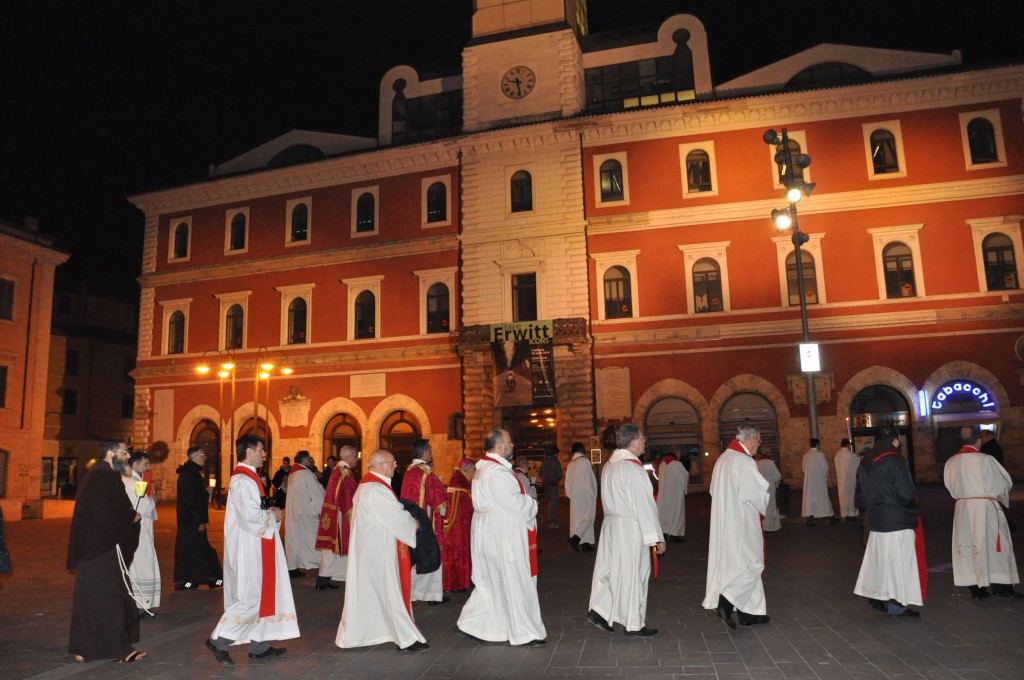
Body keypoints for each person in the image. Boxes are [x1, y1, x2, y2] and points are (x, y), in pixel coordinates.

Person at [207, 435, 298, 666]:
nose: (264, 454)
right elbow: (249, 517)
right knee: (252, 595)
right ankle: (219, 640)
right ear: (249, 451)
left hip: (258, 543)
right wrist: (273, 515)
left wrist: (269, 510)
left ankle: (259, 645)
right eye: (261, 450)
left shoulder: (251, 478)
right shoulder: (241, 480)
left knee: (265, 592)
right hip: (249, 547)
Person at [457, 429, 546, 646]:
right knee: (513, 578)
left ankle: (478, 624)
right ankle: (524, 632)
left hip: (490, 530)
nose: (512, 444)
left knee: (492, 581)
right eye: (509, 441)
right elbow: (516, 503)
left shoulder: (484, 468)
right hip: (502, 533)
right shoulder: (496, 472)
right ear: (498, 446)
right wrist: (533, 503)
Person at [336, 449, 428, 653]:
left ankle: (370, 633)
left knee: (374, 594)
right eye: (393, 462)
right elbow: (395, 518)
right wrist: (414, 523)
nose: (396, 466)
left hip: (372, 551)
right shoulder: (376, 489)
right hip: (379, 553)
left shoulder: (367, 486)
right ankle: (405, 637)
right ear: (380, 465)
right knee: (388, 591)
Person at [67, 439, 146, 663]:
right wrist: (131, 517)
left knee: (91, 599)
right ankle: (121, 650)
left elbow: (106, 511)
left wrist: (128, 515)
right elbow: (105, 515)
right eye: (124, 452)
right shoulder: (102, 478)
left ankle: (84, 649)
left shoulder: (100, 477)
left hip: (94, 548)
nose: (128, 456)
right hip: (100, 548)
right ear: (111, 454)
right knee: (112, 598)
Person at [586, 424, 665, 637]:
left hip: (612, 525)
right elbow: (644, 505)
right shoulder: (633, 468)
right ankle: (633, 623)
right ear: (632, 442)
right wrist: (655, 537)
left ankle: (600, 611)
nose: (644, 441)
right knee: (634, 574)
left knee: (613, 571)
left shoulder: (610, 465)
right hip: (631, 527)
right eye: (642, 438)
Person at [703, 424, 771, 629]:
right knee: (752, 564)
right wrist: (766, 496)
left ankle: (749, 613)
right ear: (749, 439)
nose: (759, 445)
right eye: (758, 441)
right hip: (743, 521)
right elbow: (757, 493)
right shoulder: (743, 461)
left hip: (726, 519)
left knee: (741, 564)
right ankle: (725, 601)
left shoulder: (723, 458)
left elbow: (713, 490)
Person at [853, 425, 923, 617]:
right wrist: (912, 509)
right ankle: (898, 604)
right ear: (895, 440)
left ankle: (877, 596)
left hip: (876, 520)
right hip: (897, 519)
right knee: (900, 564)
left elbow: (860, 497)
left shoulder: (865, 461)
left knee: (882, 562)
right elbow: (906, 492)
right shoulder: (896, 459)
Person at [944, 426, 1021, 599]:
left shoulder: (951, 462)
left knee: (969, 545)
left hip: (962, 508)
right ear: (978, 440)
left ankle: (976, 587)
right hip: (985, 508)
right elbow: (1003, 483)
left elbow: (949, 486)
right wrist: (1000, 498)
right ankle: (1002, 587)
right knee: (995, 546)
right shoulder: (986, 460)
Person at [400, 438, 448, 604]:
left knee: (414, 557)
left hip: (410, 521)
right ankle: (431, 595)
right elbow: (440, 505)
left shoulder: (408, 472)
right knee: (429, 554)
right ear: (426, 453)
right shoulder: (427, 473)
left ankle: (409, 592)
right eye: (430, 450)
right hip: (426, 523)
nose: (432, 453)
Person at [174, 446, 223, 590]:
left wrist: (205, 492)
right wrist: (199, 520)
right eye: (202, 455)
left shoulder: (190, 473)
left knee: (191, 550)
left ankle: (190, 581)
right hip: (191, 521)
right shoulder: (190, 475)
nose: (205, 457)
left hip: (188, 521)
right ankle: (212, 579)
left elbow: (195, 496)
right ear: (195, 457)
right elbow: (191, 500)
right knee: (199, 550)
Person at [121, 451, 160, 616]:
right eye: (145, 464)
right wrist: (152, 501)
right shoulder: (135, 482)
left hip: (135, 525)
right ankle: (141, 604)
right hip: (140, 527)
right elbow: (143, 506)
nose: (148, 467)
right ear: (135, 465)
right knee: (143, 563)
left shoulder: (128, 480)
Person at [315, 446, 358, 590]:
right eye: (354, 456)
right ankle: (323, 580)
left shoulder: (338, 471)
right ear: (347, 457)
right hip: (340, 515)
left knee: (331, 549)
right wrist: (353, 514)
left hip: (332, 513)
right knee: (333, 549)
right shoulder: (343, 472)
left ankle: (326, 578)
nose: (356, 459)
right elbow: (347, 496)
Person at [285, 450, 325, 578]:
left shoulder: (292, 473)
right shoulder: (306, 474)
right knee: (310, 538)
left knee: (293, 540)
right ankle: (319, 564)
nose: (311, 460)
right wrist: (322, 510)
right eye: (309, 458)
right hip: (306, 512)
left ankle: (292, 567)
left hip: (293, 511)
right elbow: (316, 492)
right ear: (303, 460)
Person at [442, 457, 475, 593]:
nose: (474, 472)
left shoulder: (465, 483)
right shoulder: (458, 484)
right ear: (466, 470)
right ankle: (455, 584)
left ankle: (463, 581)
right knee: (457, 554)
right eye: (473, 469)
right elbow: (453, 509)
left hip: (464, 526)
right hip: (457, 529)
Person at [566, 442, 598, 551]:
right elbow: (589, 480)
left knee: (579, 519)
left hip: (575, 496)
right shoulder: (585, 461)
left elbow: (567, 482)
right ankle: (576, 538)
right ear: (581, 449)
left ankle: (585, 544)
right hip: (585, 495)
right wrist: (594, 493)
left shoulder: (571, 464)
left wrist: (570, 494)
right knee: (588, 518)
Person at [656, 447, 688, 543]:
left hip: (664, 493)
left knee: (664, 513)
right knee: (676, 513)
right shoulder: (677, 464)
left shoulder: (662, 464)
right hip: (675, 493)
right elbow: (684, 476)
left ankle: (664, 533)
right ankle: (675, 535)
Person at [802, 438, 837, 526]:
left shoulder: (806, 455)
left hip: (809, 482)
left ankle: (811, 518)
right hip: (819, 481)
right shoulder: (820, 454)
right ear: (817, 445)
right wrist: (824, 477)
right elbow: (825, 468)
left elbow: (803, 468)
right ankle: (830, 517)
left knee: (810, 500)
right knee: (823, 497)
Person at [755, 450, 783, 532]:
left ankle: (761, 526)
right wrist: (776, 483)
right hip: (769, 487)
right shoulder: (770, 462)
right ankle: (769, 526)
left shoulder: (757, 463)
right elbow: (777, 476)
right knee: (771, 506)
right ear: (768, 453)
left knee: (762, 507)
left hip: (760, 487)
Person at [834, 439, 859, 521]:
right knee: (851, 496)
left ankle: (844, 512)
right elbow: (857, 467)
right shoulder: (852, 455)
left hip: (841, 479)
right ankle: (851, 514)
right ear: (848, 445)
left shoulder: (837, 455)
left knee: (842, 496)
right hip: (850, 479)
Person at [539, 446, 563, 529]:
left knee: (549, 500)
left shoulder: (544, 461)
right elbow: (560, 474)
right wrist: (557, 479)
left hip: (545, 484)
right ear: (555, 453)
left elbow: (540, 473)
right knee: (553, 502)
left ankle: (549, 516)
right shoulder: (556, 462)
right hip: (553, 484)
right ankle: (552, 522)